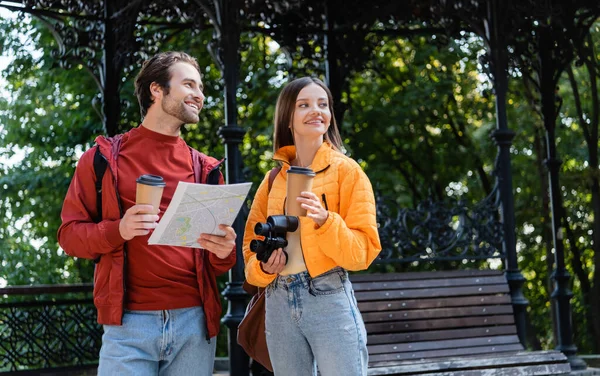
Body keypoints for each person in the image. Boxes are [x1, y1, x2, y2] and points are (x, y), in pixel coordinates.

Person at [58, 51, 236, 375]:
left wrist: (224, 251)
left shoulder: (207, 169)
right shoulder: (102, 159)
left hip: (193, 326)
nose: (199, 94)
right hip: (128, 327)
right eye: (188, 84)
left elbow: (215, 262)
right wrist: (119, 230)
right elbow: (69, 236)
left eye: (201, 87)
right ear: (157, 89)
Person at [242, 77, 381, 376]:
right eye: (304, 105)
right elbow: (248, 252)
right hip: (278, 300)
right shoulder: (272, 180)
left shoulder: (348, 171)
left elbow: (364, 252)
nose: (316, 111)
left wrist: (326, 220)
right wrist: (264, 269)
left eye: (323, 104)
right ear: (288, 119)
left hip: (328, 296)